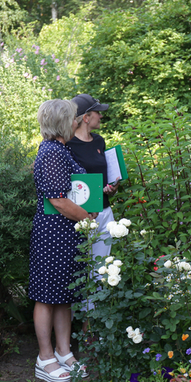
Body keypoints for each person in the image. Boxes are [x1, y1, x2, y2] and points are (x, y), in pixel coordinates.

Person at [29, 99, 97, 382]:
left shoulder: (58, 149)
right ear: (60, 122)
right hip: (54, 233)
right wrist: (88, 220)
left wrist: (88, 207)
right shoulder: (53, 152)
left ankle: (64, 352)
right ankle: (44, 358)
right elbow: (58, 200)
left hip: (64, 233)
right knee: (47, 295)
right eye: (72, 119)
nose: (75, 123)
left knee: (64, 295)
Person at [68, 94, 118, 272]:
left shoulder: (99, 140)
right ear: (86, 118)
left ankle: (97, 301)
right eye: (98, 112)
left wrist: (111, 187)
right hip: (83, 214)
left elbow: (101, 176)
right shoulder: (68, 144)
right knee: (80, 270)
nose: (101, 116)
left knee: (102, 270)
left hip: (104, 211)